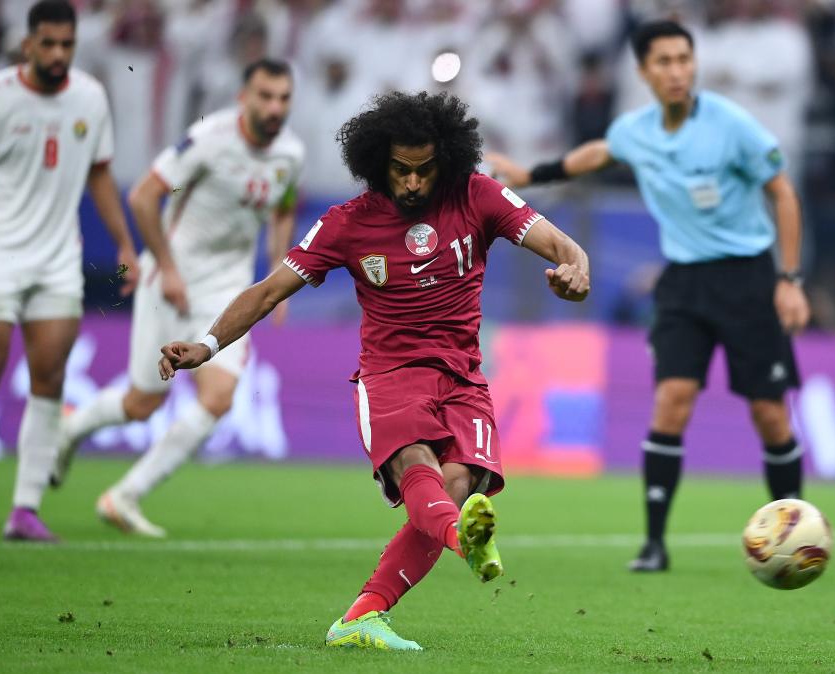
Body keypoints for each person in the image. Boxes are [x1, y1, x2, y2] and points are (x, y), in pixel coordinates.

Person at [155, 91, 590, 649]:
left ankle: (362, 616)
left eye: (424, 170)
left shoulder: (477, 195)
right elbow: (267, 292)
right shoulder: (347, 223)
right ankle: (463, 539)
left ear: (446, 159)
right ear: (377, 162)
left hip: (463, 376)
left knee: (457, 485)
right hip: (390, 376)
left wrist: (576, 273)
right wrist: (207, 344)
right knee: (417, 464)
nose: (412, 182)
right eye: (400, 169)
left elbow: (563, 246)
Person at [487, 19, 810, 572]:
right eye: (664, 61)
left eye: (684, 59)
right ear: (643, 71)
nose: (677, 71)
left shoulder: (731, 124)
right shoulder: (636, 131)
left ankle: (794, 536)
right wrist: (530, 174)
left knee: (769, 415)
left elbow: (782, 193)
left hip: (749, 280)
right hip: (683, 282)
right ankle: (654, 545)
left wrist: (790, 279)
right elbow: (597, 154)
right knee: (671, 402)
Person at [52, 58, 305, 538]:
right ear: (244, 98)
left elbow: (284, 209)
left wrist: (279, 273)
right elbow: (143, 196)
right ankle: (70, 429)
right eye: (266, 96)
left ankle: (124, 496)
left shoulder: (291, 153)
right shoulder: (210, 138)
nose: (275, 107)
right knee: (141, 403)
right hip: (173, 280)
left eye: (283, 98)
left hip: (228, 289)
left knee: (219, 397)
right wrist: (167, 268)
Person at [0, 0, 140, 542]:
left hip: (57, 259)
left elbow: (99, 172)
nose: (57, 54)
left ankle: (25, 509)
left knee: (49, 378)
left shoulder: (89, 97)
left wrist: (123, 242)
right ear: (28, 44)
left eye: (66, 45)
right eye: (48, 44)